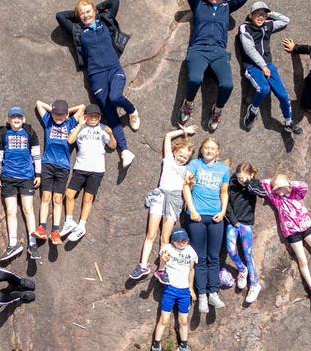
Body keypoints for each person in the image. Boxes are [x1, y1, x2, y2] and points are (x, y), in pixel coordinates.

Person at [55, 0, 138, 167]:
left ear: (94, 11)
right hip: (95, 75)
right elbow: (60, 16)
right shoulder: (77, 30)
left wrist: (96, 10)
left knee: (115, 97)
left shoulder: (104, 21)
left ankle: (132, 110)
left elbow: (115, 1)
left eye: (88, 11)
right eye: (81, 13)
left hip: (114, 69)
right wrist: (78, 15)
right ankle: (124, 150)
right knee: (109, 111)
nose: (85, 15)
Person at [259, 173, 311, 306]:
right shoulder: (276, 198)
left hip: (305, 227)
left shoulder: (297, 194)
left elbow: (304, 185)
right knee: (302, 261)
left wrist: (286, 184)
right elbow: (264, 183)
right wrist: (275, 183)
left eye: (279, 188)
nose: (277, 190)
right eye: (275, 188)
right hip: (292, 232)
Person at [178, 0, 250, 130]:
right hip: (198, 49)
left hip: (219, 52)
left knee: (227, 85)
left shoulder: (226, 7)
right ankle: (188, 103)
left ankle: (217, 110)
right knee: (195, 79)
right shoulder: (199, 4)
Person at [130, 127, 196, 280]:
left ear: (188, 160)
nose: (181, 159)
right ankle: (143, 266)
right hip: (159, 197)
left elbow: (187, 189)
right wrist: (184, 131)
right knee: (151, 234)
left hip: (174, 201)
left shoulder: (187, 171)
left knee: (165, 238)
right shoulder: (168, 160)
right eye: (180, 155)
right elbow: (167, 136)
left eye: (185, 158)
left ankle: (161, 269)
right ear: (175, 152)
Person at [182, 138, 231, 314]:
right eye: (206, 148)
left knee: (214, 256)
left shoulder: (224, 169)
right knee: (200, 257)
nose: (209, 150)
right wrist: (192, 210)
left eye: (213, 148)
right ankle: (202, 295)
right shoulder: (195, 164)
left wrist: (223, 210)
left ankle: (214, 293)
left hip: (216, 217)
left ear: (218, 152)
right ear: (201, 150)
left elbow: (224, 192)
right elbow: (186, 187)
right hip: (196, 217)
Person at [239, 3, 301, 135]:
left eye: (263, 14)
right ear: (251, 16)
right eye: (257, 14)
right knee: (264, 89)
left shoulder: (268, 25)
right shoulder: (245, 27)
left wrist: (271, 14)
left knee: (284, 95)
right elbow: (249, 49)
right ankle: (253, 111)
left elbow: (285, 20)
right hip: (253, 66)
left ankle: (288, 122)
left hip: (269, 66)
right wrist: (263, 66)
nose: (261, 17)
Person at [0, 106, 42, 262]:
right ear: (8, 119)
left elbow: (36, 154)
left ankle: (32, 245)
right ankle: (12, 244)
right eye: (13, 117)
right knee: (11, 211)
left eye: (19, 117)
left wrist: (38, 173)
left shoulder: (30, 132)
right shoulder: (3, 133)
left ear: (24, 119)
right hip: (8, 177)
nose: (16, 119)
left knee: (28, 209)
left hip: (27, 176)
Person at [61, 104, 116, 243]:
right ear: (85, 116)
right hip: (80, 167)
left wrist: (110, 133)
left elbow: (113, 146)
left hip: (97, 169)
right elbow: (70, 140)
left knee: (88, 198)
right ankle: (69, 221)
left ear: (100, 117)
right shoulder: (80, 128)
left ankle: (82, 226)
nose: (94, 118)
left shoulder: (103, 129)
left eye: (96, 116)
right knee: (69, 194)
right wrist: (80, 125)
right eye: (91, 115)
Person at [34, 99, 85, 245]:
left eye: (61, 115)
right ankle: (42, 228)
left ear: (66, 115)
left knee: (57, 199)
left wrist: (67, 113)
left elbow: (81, 106)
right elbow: (38, 103)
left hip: (63, 166)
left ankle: (55, 231)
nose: (58, 117)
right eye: (56, 114)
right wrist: (53, 110)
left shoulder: (70, 123)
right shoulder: (48, 120)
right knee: (45, 196)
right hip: (48, 164)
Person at [150, 229, 199, 351]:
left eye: (185, 240)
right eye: (179, 240)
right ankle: (156, 347)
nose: (182, 243)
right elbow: (160, 268)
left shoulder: (190, 251)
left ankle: (183, 347)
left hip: (184, 291)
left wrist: (191, 288)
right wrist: (163, 262)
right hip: (170, 288)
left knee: (183, 321)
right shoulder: (168, 248)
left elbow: (191, 270)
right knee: (164, 319)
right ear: (173, 241)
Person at [225, 161, 268, 304]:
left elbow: (264, 194)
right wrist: (233, 220)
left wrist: (249, 184)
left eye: (243, 178)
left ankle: (255, 284)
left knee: (248, 253)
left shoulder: (254, 184)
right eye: (239, 177)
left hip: (247, 224)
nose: (240, 181)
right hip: (233, 222)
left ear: (251, 175)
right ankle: (242, 270)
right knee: (231, 249)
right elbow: (226, 203)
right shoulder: (232, 183)